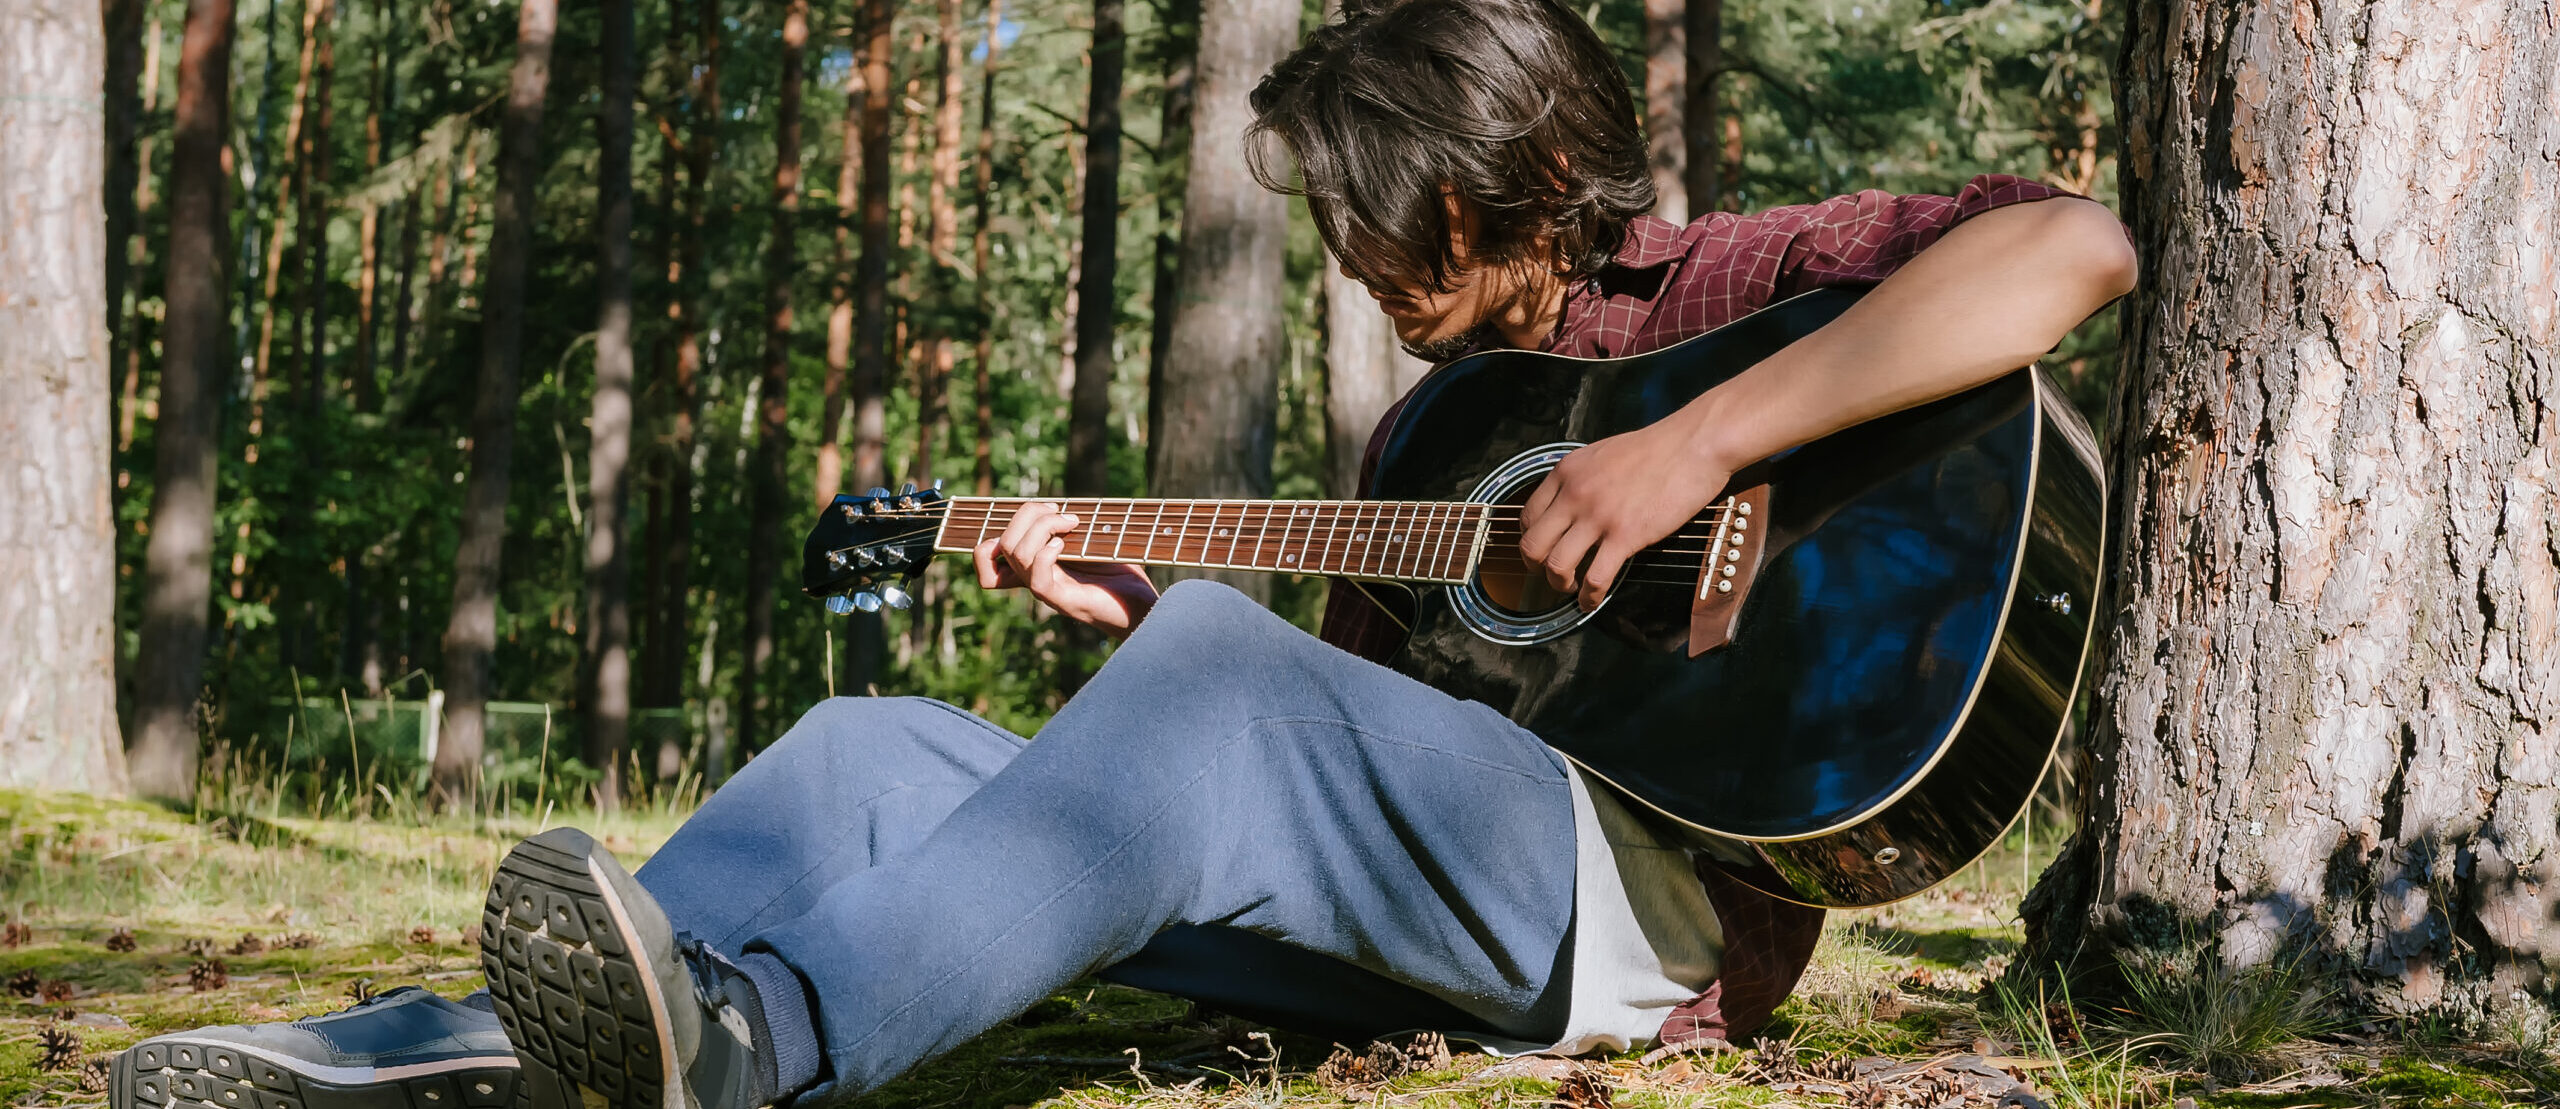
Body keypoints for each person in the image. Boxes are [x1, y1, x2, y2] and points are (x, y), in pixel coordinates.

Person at [110, 1, 2136, 1107]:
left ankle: (756, 1048)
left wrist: (1688, 445)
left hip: (1654, 915)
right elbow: (1327, 763)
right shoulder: (1431, 439)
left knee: (1227, 678)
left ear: (1488, 177)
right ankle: (429, 1055)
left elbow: (2071, 251)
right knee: (870, 751)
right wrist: (1167, 627)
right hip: (1449, 890)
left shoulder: (1723, 286)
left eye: (1364, 211)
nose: (1342, 254)